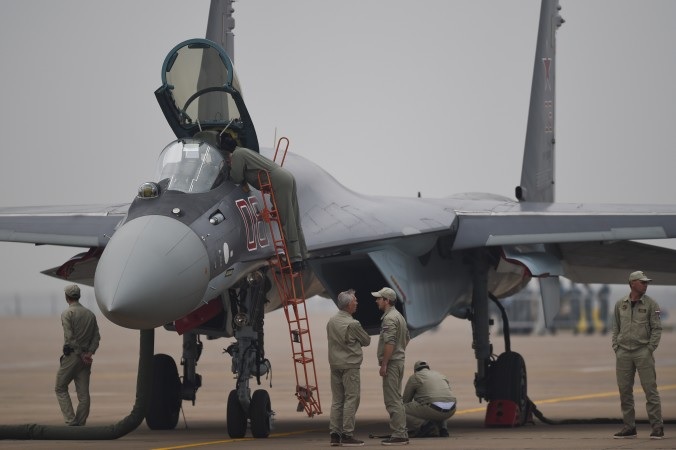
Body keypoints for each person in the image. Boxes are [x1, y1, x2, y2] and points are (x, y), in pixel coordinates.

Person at [220, 133, 308, 270]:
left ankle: (295, 260)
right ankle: (303, 257)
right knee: (293, 220)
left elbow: (236, 177)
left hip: (278, 182)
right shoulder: (243, 152)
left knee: (286, 221)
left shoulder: (237, 155)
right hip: (285, 177)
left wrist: (228, 170)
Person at [611, 271, 663, 440]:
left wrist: (650, 349)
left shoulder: (651, 304)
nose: (646, 285)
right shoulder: (621, 304)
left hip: (643, 351)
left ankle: (657, 427)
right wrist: (616, 347)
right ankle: (629, 427)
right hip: (623, 352)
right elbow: (616, 327)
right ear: (632, 283)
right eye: (642, 282)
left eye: (646, 283)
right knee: (625, 391)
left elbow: (657, 328)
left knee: (650, 390)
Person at [326, 289, 371, 447]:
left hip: (335, 365)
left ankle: (334, 434)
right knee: (351, 399)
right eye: (354, 302)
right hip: (350, 366)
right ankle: (347, 434)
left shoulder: (331, 321)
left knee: (337, 400)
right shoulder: (353, 323)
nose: (357, 303)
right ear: (347, 305)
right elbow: (366, 340)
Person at [55, 284, 101, 426]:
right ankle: (80, 424)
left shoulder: (67, 314)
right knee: (83, 395)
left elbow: (69, 337)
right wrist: (89, 353)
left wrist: (80, 353)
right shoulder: (90, 314)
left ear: (67, 297)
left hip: (73, 357)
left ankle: (71, 420)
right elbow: (96, 337)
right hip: (85, 359)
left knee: (60, 388)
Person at [373, 287, 410, 446]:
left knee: (392, 400)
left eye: (379, 298)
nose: (377, 301)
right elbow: (407, 338)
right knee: (397, 398)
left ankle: (399, 434)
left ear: (387, 301)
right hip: (398, 361)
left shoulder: (389, 319)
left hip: (393, 363)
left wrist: (385, 363)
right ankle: (401, 432)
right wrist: (400, 352)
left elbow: (390, 342)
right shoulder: (399, 316)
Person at [402, 361, 456, 438]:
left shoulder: (415, 377)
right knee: (441, 401)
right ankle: (443, 429)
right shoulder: (440, 375)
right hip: (452, 409)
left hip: (433, 409)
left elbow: (406, 400)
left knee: (399, 409)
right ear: (428, 369)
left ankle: (425, 426)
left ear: (415, 370)